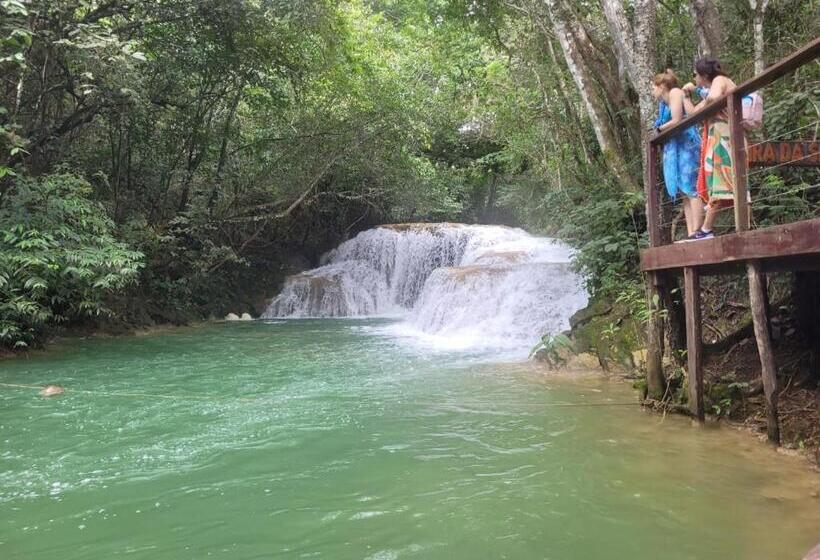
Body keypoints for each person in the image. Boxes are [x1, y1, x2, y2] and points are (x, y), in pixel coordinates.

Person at [681, 58, 740, 240]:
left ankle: (707, 229)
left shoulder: (719, 80)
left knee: (725, 180)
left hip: (726, 135)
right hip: (719, 135)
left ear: (704, 75)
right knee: (721, 181)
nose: (694, 78)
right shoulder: (714, 86)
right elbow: (693, 114)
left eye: (695, 75)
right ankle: (707, 229)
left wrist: (700, 91)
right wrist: (685, 95)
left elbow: (713, 98)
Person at [651, 69, 704, 240]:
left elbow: (676, 119)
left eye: (653, 87)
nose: (652, 91)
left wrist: (659, 129)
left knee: (691, 188)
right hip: (677, 146)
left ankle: (698, 230)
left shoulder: (674, 92)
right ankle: (691, 232)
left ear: (661, 86)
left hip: (686, 145)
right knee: (684, 192)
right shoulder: (663, 103)